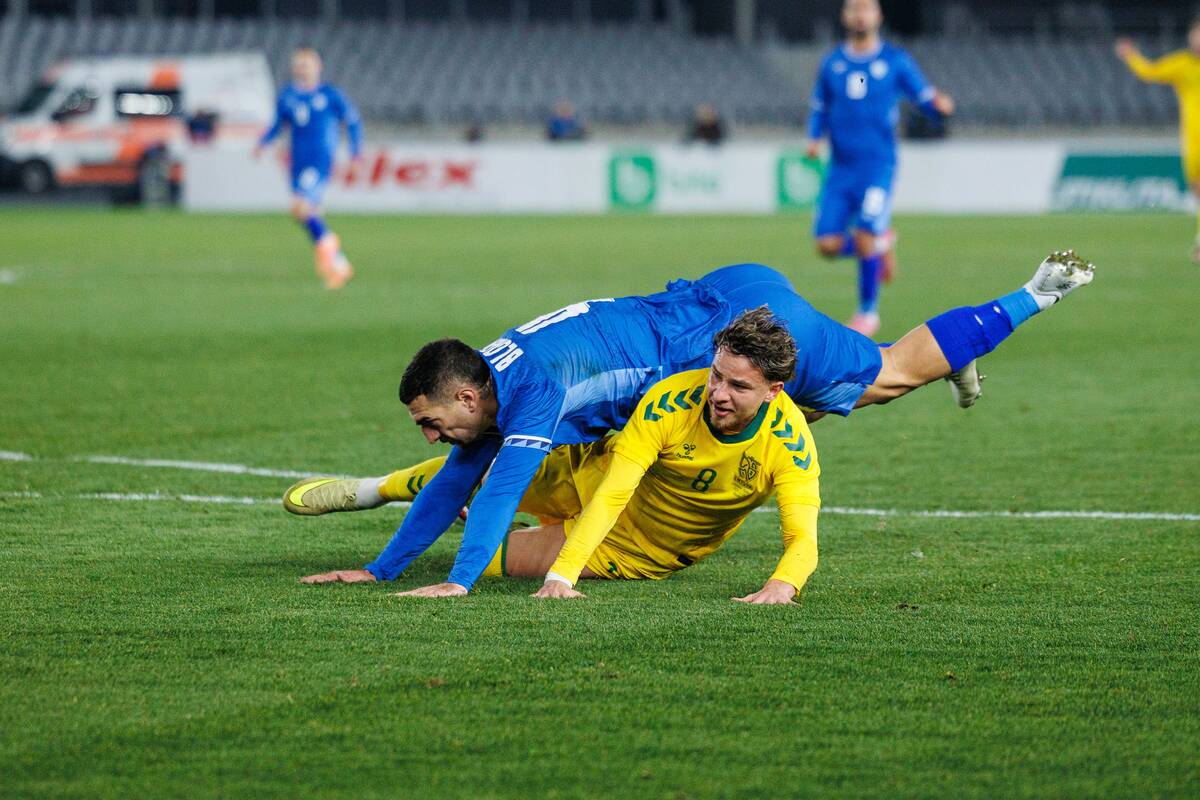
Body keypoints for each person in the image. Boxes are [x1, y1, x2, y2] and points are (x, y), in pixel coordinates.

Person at [288, 253, 1094, 595]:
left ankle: (1035, 298)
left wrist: (458, 581)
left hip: (726, 342)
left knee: (886, 379)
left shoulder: (527, 394)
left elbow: (491, 487)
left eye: (430, 422)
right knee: (874, 372)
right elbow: (470, 466)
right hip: (724, 288)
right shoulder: (491, 372)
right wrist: (383, 570)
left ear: (464, 398)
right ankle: (1017, 302)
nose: (431, 434)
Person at [374, 310, 819, 604]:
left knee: (488, 554)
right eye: (715, 377)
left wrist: (784, 583)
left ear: (774, 392)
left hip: (637, 544)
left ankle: (502, 530)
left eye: (737, 387)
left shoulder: (790, 442)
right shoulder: (669, 400)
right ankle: (373, 488)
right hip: (596, 467)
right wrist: (561, 577)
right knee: (484, 472)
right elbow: (613, 493)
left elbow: (802, 536)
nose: (718, 395)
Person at [806, 0, 955, 336]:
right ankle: (880, 244)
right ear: (845, 16)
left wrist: (939, 107)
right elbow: (819, 106)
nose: (860, 15)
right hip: (841, 170)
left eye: (866, 8)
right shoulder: (833, 64)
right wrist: (814, 138)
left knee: (863, 234)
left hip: (878, 167)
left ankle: (867, 312)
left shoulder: (895, 61)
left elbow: (924, 96)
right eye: (854, 8)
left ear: (878, 16)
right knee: (827, 245)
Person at [254, 48, 363, 290]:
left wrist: (356, 153)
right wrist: (263, 143)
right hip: (298, 161)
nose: (303, 69)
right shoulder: (288, 97)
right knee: (304, 212)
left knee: (299, 207)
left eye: (307, 64)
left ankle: (329, 245)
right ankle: (338, 263)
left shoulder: (330, 95)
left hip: (320, 159)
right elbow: (277, 125)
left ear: (318, 67)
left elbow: (353, 122)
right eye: (299, 64)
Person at [1116, 21, 1200, 261]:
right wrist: (1131, 55)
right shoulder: (1182, 64)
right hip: (1193, 139)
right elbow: (1150, 71)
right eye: (1196, 36)